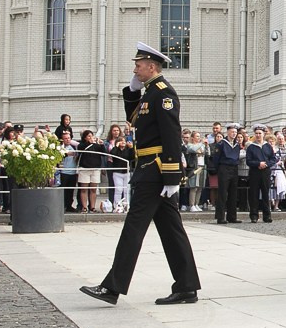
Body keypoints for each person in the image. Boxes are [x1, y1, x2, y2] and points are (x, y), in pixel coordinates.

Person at [80, 42, 201, 306]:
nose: (135, 70)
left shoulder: (164, 93)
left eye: (138, 66)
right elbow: (135, 119)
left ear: (151, 66)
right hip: (149, 169)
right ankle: (187, 286)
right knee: (172, 231)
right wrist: (132, 92)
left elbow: (171, 135)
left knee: (133, 227)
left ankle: (112, 287)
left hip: (155, 171)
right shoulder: (149, 93)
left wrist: (171, 177)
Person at [245, 127, 276, 223]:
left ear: (263, 134)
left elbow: (273, 159)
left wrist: (266, 164)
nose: (258, 135)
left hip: (265, 172)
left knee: (266, 194)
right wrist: (258, 164)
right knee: (254, 194)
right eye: (256, 133)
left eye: (260, 133)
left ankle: (267, 215)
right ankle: (254, 215)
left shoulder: (268, 146)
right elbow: (248, 161)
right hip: (255, 172)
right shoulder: (251, 147)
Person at [212, 126, 241, 224]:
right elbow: (216, 158)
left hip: (234, 168)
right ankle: (220, 217)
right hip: (224, 168)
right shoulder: (221, 144)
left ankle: (232, 216)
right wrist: (219, 169)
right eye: (232, 132)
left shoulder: (237, 144)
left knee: (233, 193)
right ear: (228, 132)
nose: (234, 134)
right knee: (223, 193)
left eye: (235, 132)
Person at [77, 129, 106, 213]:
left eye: (91, 136)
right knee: (84, 189)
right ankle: (84, 207)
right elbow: (80, 149)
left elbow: (104, 152)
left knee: (93, 189)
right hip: (84, 169)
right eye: (88, 136)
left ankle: (92, 207)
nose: (91, 138)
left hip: (95, 169)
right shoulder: (81, 145)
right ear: (85, 138)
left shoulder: (96, 145)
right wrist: (89, 143)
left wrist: (101, 144)